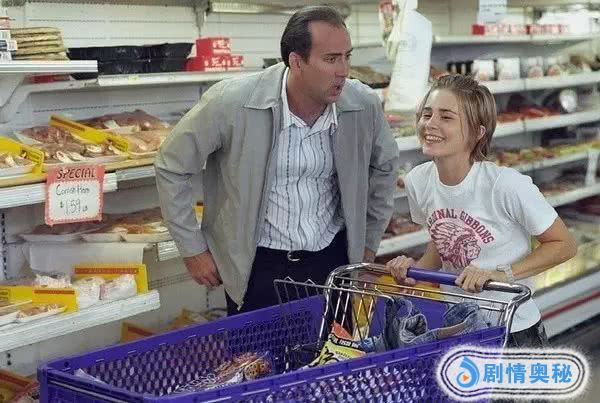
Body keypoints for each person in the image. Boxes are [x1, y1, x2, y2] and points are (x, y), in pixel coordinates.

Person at [155, 5, 400, 316]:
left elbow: (385, 168)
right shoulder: (233, 102)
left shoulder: (361, 105)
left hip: (333, 262)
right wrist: (192, 248)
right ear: (296, 62)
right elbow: (171, 165)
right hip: (258, 268)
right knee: (258, 350)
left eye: (347, 57)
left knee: (333, 348)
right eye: (331, 59)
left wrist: (367, 245)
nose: (343, 70)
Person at [387, 74, 577, 348]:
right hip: (458, 326)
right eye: (427, 114)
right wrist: (414, 270)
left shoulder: (505, 185)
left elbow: (564, 244)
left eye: (446, 117)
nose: (430, 124)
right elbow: (441, 244)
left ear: (478, 132)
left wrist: (500, 274)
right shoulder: (418, 180)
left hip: (512, 331)